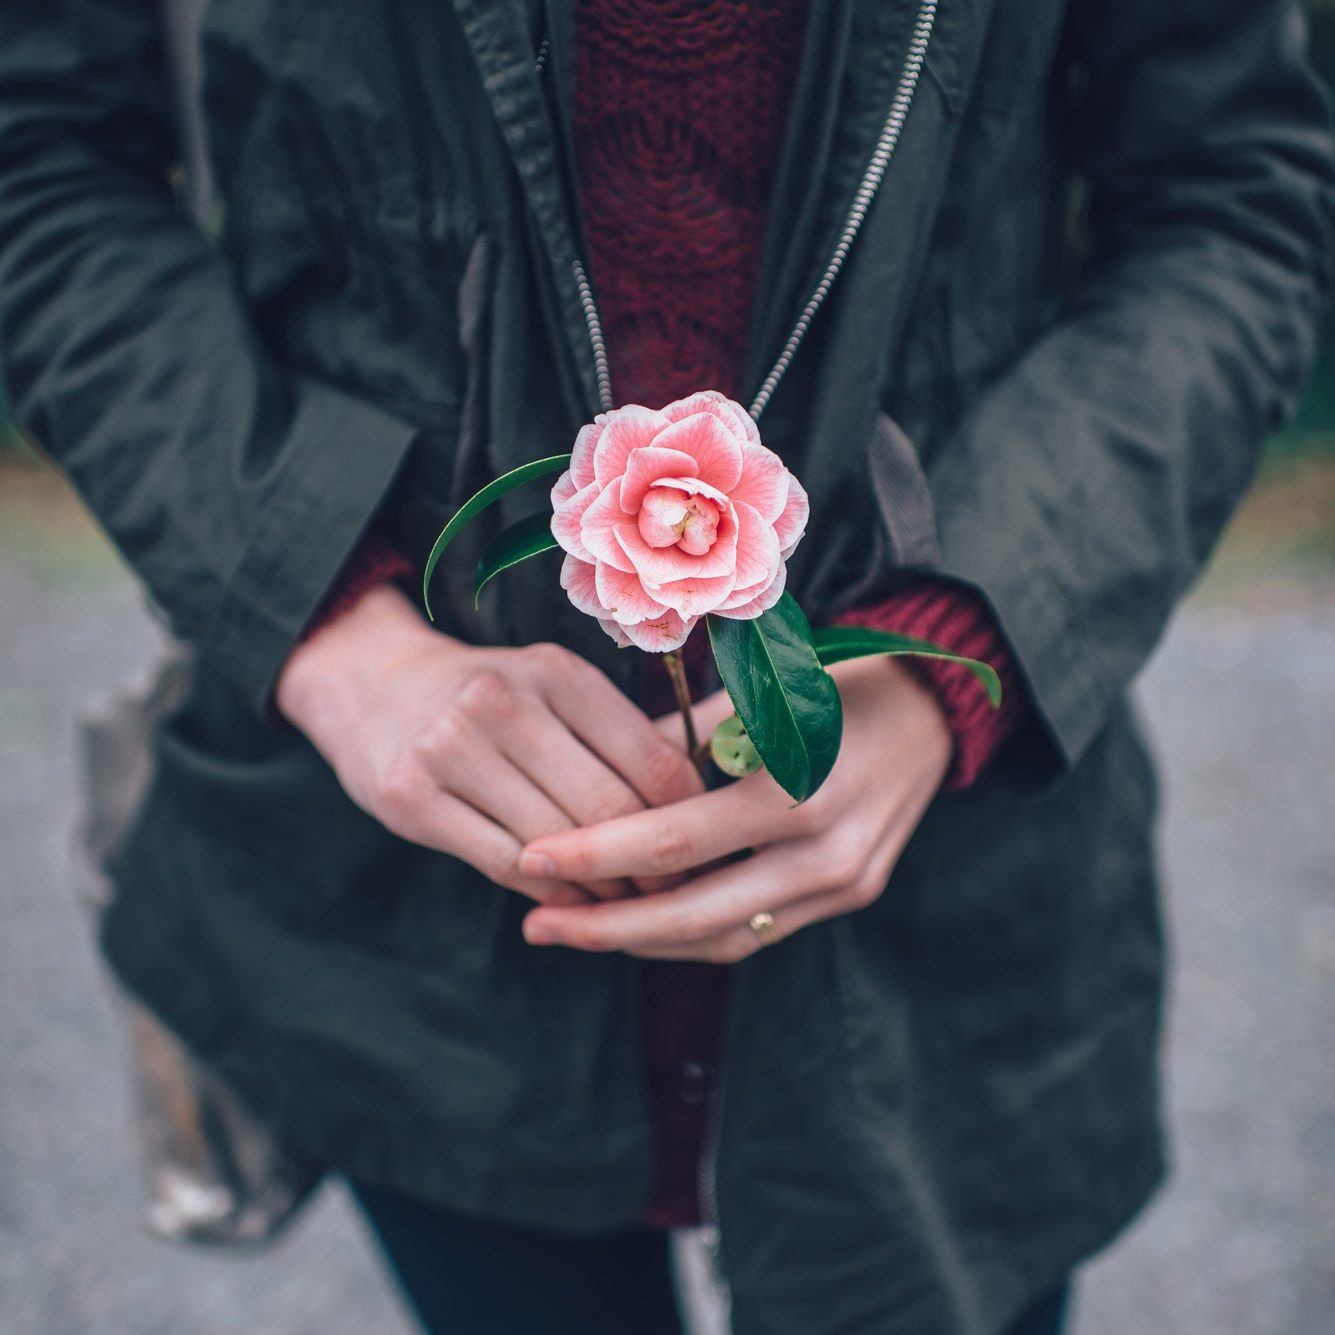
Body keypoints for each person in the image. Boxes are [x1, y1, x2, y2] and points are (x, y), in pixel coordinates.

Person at [0, 2, 1329, 1333]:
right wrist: (330, 631)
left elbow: (1233, 203)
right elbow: (42, 156)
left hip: (955, 901)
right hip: (415, 919)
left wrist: (955, 657)